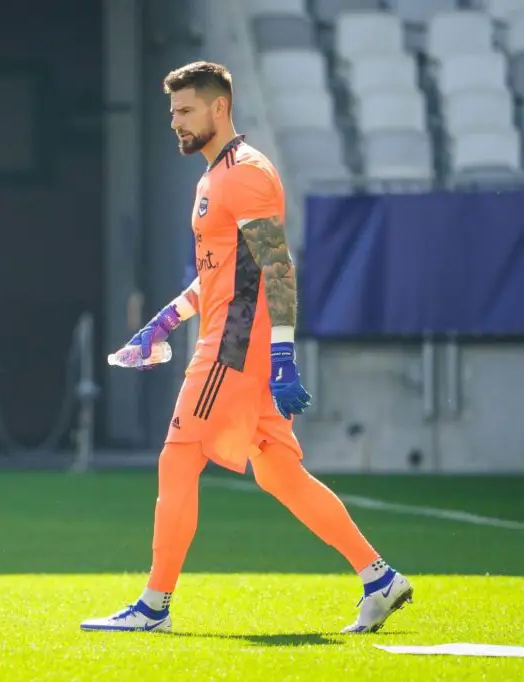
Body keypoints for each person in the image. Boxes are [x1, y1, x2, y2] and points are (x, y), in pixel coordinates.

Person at [80, 61, 412, 635]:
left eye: (186, 110)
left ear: (220, 108)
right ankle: (378, 577)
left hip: (234, 348)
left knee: (178, 457)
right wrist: (162, 322)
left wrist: (282, 355)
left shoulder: (247, 174)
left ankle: (153, 607)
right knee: (278, 473)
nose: (176, 122)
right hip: (234, 343)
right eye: (173, 112)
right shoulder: (214, 178)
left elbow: (277, 267)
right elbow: (220, 276)